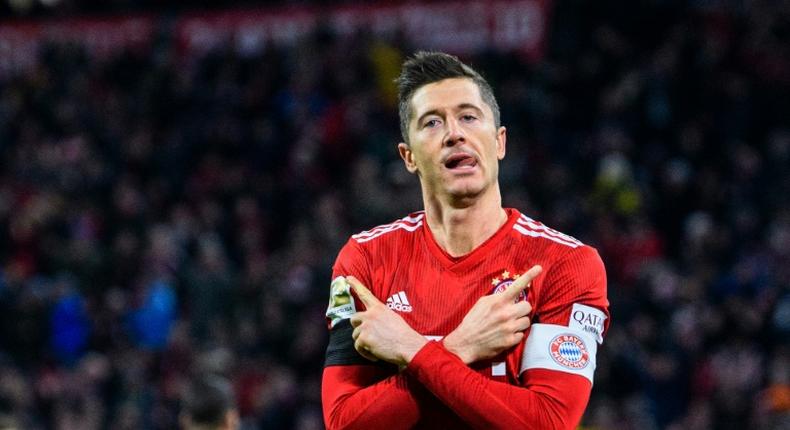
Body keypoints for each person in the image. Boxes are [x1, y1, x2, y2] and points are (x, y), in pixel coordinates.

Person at [322, 51, 609, 429]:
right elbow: (344, 423)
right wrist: (460, 346)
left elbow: (547, 422)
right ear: (408, 157)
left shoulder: (565, 263)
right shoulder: (364, 260)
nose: (454, 133)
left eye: (469, 116)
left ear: (499, 142)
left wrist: (412, 349)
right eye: (432, 122)